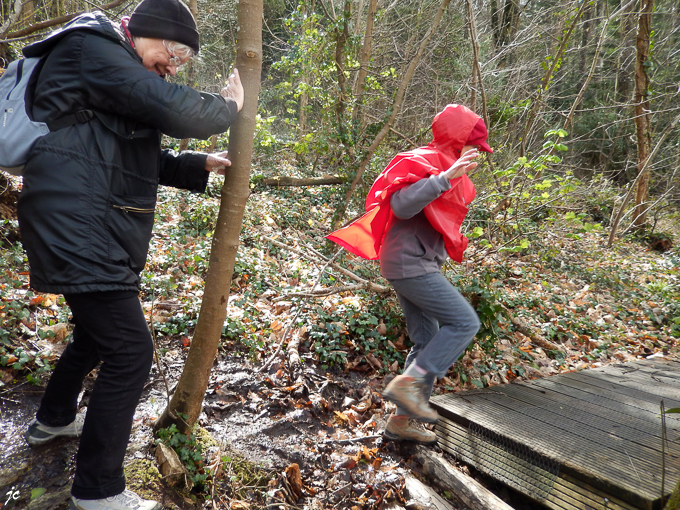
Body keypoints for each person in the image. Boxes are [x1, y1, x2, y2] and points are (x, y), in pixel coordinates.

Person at [18, 0, 244, 508]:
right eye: (174, 54)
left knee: (98, 336)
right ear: (150, 33)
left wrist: (196, 165)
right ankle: (97, 491)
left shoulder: (110, 72)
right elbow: (168, 105)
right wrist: (226, 108)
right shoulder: (91, 48)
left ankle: (53, 420)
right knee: (130, 351)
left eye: (182, 62)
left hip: (85, 220)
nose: (173, 66)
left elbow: (136, 154)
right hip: (79, 223)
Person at [328, 104, 492, 445]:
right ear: (458, 139)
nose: (476, 153)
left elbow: (436, 219)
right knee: (464, 323)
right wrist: (443, 179)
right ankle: (410, 383)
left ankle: (402, 421)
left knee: (427, 340)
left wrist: (453, 239)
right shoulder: (421, 161)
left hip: (416, 262)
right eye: (473, 145)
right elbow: (401, 205)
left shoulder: (452, 172)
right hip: (408, 263)